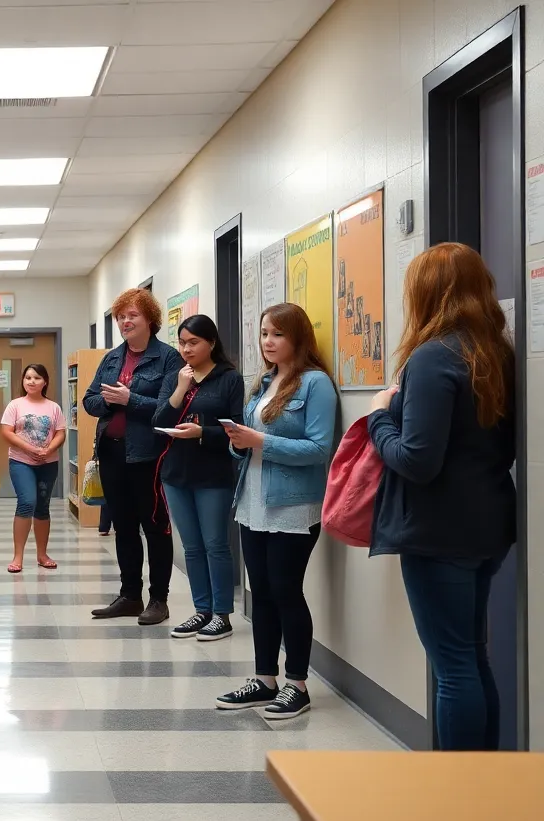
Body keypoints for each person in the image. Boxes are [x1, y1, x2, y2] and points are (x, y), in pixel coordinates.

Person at [367, 243, 515, 750]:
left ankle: (457, 790)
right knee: (471, 657)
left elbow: (415, 460)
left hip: (438, 532)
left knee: (453, 668)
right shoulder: (497, 351)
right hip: (489, 524)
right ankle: (481, 778)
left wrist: (379, 418)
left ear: (425, 293)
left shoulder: (433, 356)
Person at [216, 303, 337, 721]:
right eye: (265, 333)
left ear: (298, 338)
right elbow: (247, 443)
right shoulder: (263, 382)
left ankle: (297, 685)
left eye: (277, 334)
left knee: (286, 591)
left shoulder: (315, 384)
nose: (268, 342)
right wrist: (237, 441)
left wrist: (259, 441)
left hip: (293, 505)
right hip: (252, 501)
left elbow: (320, 449)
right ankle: (264, 679)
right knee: (261, 592)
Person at [82, 288, 183, 624]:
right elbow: (89, 401)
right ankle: (129, 595)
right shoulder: (112, 358)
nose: (125, 321)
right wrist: (111, 402)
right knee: (123, 527)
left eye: (132, 315)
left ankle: (158, 599)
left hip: (148, 455)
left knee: (154, 527)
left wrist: (131, 399)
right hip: (111, 453)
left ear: (149, 319)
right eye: (121, 316)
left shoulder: (168, 358)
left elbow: (170, 409)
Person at [153, 315, 245, 641]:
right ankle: (201, 610)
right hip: (176, 474)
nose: (186, 349)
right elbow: (159, 418)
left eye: (193, 342)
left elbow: (237, 430)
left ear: (211, 343)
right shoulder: (178, 375)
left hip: (213, 475)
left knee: (216, 545)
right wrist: (180, 389)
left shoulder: (229, 379)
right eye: (182, 342)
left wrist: (202, 433)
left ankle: (222, 614)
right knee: (192, 547)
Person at [0, 363, 67, 572]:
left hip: (48, 462)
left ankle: (42, 554)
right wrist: (30, 449)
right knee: (27, 502)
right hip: (21, 461)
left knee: (42, 507)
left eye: (37, 378)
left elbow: (60, 433)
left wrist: (48, 449)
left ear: (44, 381)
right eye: (28, 377)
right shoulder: (15, 405)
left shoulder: (53, 407)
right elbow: (7, 432)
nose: (31, 381)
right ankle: (17, 557)